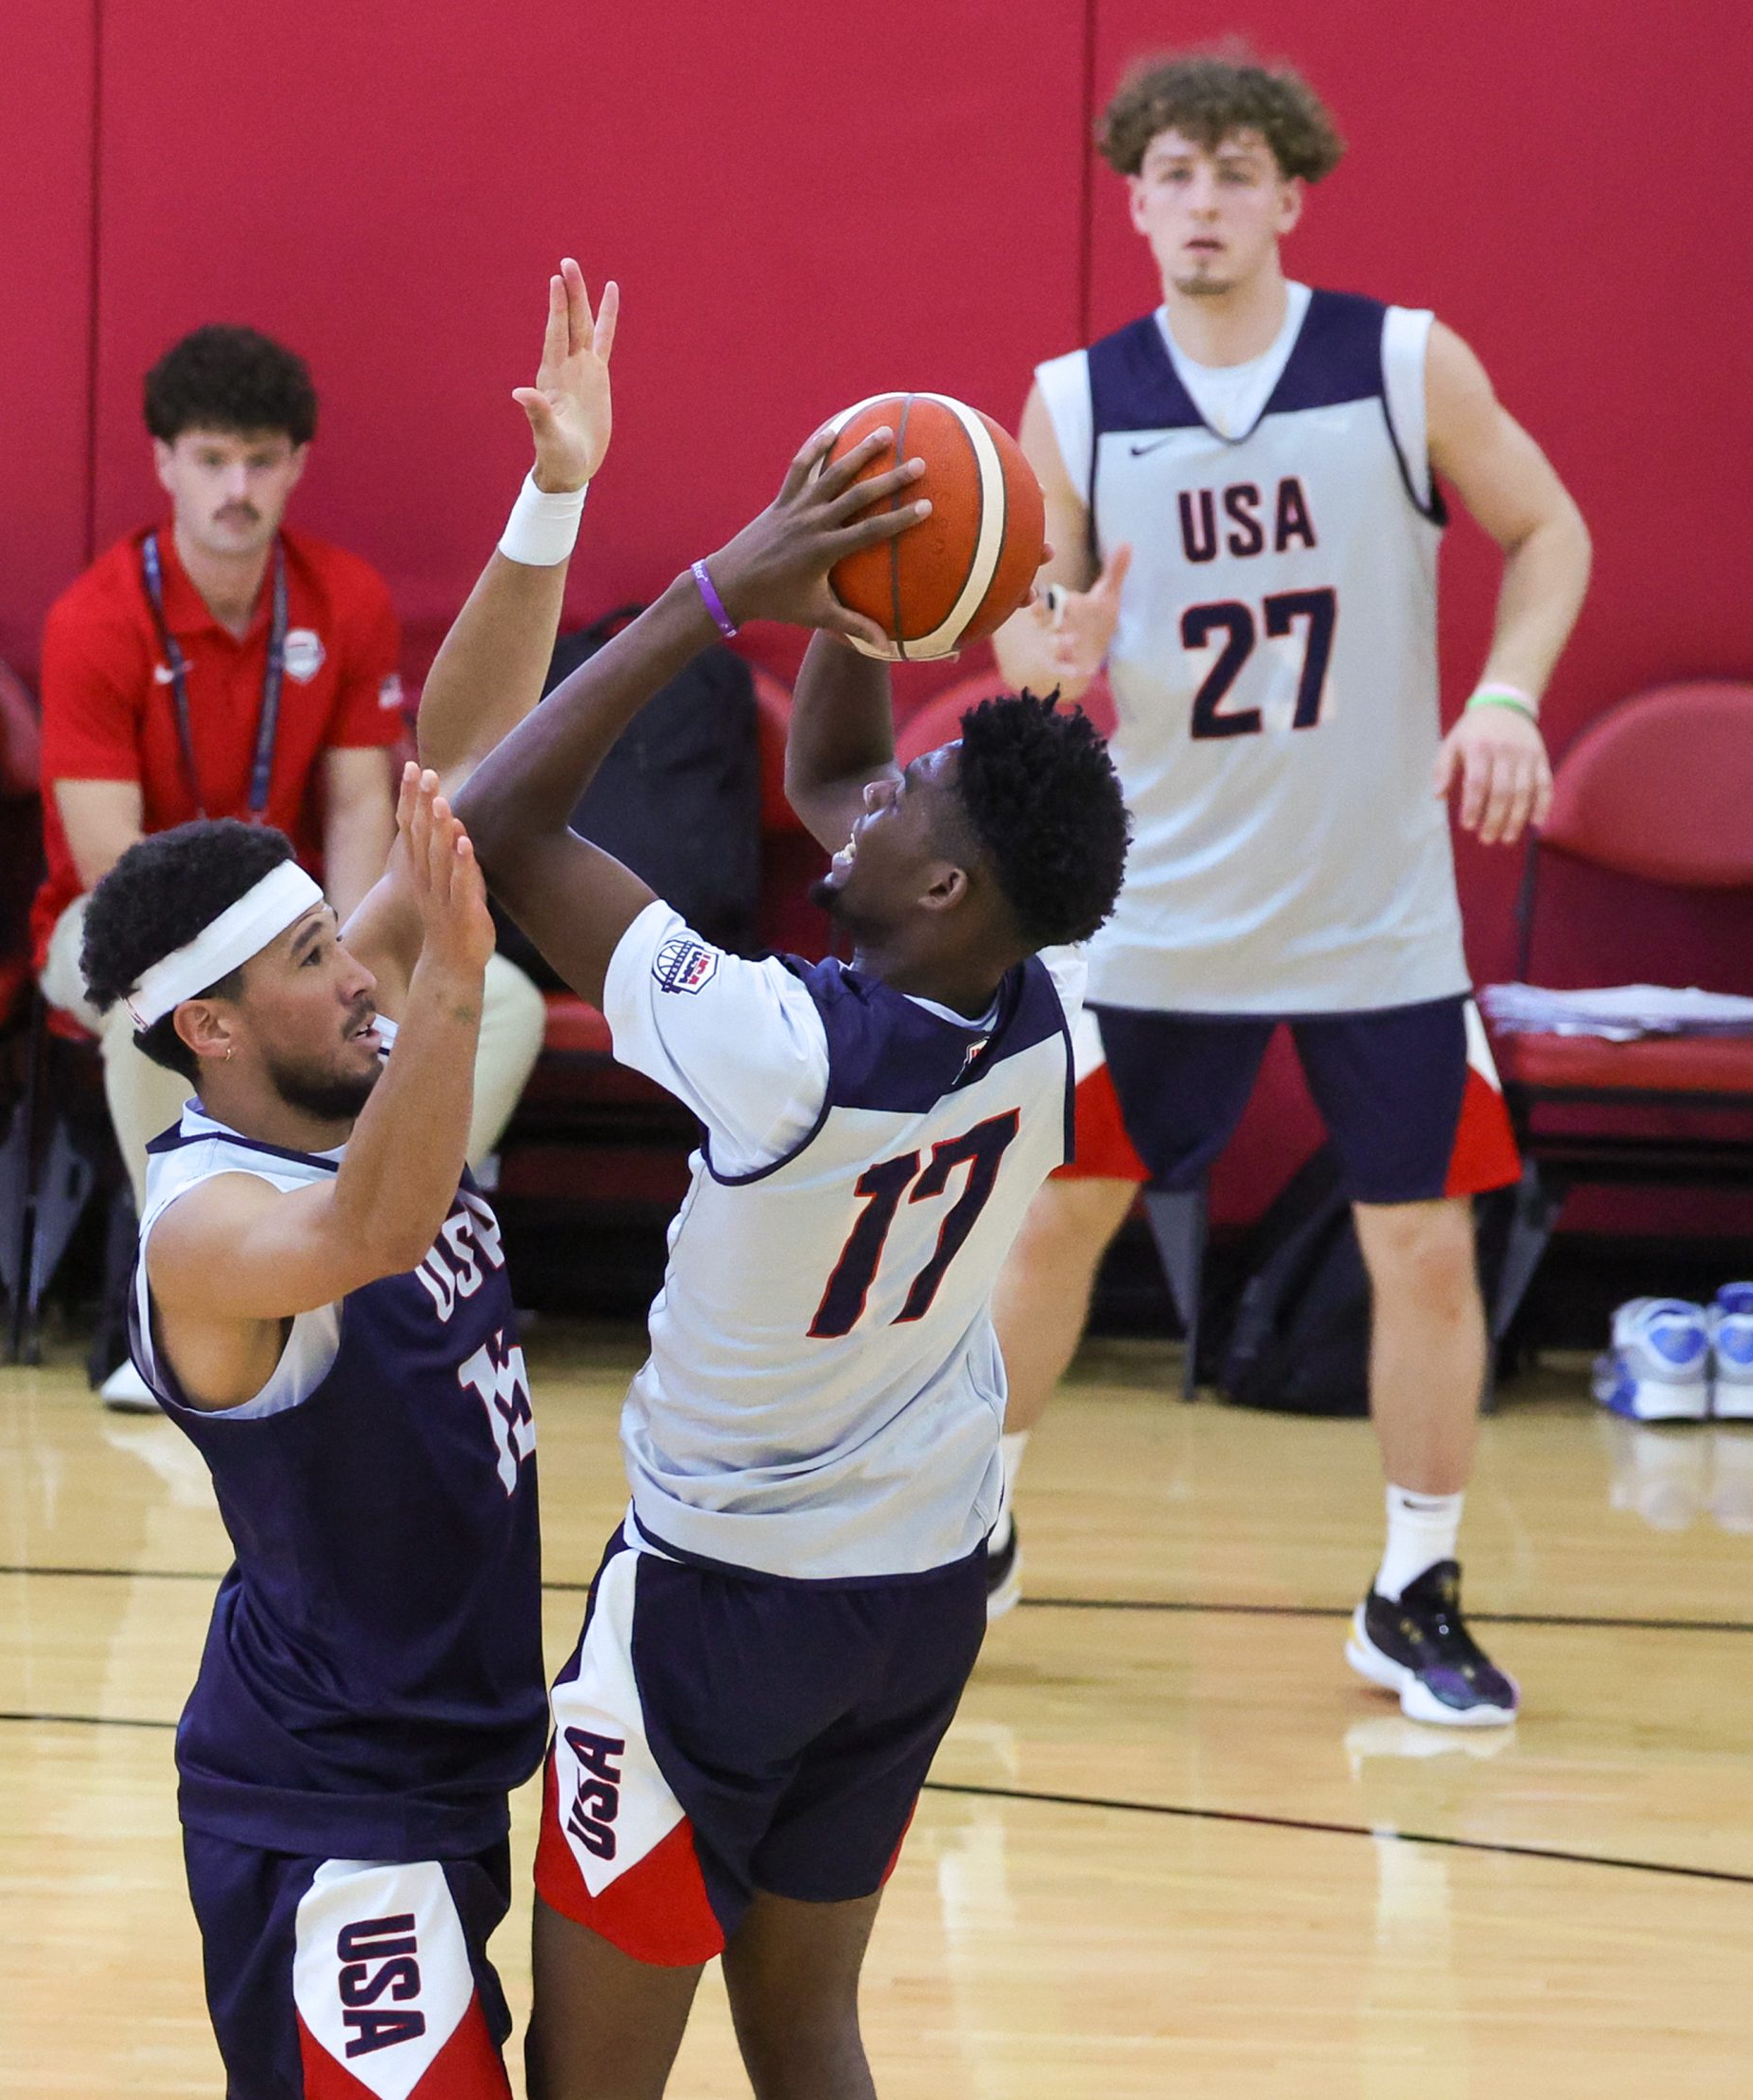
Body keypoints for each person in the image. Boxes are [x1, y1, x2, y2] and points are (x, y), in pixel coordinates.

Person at [459, 428, 1127, 2100]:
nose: (870, 791)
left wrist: (723, 594)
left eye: (911, 798)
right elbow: (846, 794)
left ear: (951, 880)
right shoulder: (1048, 1024)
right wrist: (866, 599)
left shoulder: (778, 1052)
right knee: (806, 2029)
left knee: (591, 2080)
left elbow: (493, 816)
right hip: (916, 1587)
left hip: (720, 1607)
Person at [984, 49, 1592, 1727]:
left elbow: (1551, 531)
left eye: (1235, 171)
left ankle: (1414, 1583)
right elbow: (1025, 639)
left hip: (1372, 908)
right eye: (1172, 172)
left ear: (1290, 194)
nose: (1202, 201)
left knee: (1424, 1247)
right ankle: (968, 1533)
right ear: (1133, 198)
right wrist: (1050, 653)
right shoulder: (1080, 401)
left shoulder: (1399, 361)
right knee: (1054, 1221)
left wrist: (1507, 695)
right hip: (1160, 906)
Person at [77, 262, 616, 2100]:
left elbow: (450, 773)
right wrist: (458, 982)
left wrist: (555, 496)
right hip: (324, 1803)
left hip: (454, 1762)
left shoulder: (324, 1030)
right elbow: (379, 1230)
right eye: (316, 957)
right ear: (212, 1033)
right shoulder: (211, 1225)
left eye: (347, 935)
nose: (360, 965)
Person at [33, 323, 549, 1229]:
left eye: (261, 462)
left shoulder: (345, 599)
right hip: (118, 922)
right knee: (148, 999)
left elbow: (359, 807)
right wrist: (242, 954)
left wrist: (342, 953)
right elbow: (107, 856)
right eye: (212, 460)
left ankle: (377, 1231)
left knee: (500, 999)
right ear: (164, 462)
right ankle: (187, 1277)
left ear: (297, 463)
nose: (237, 490)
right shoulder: (95, 619)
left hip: (294, 914)